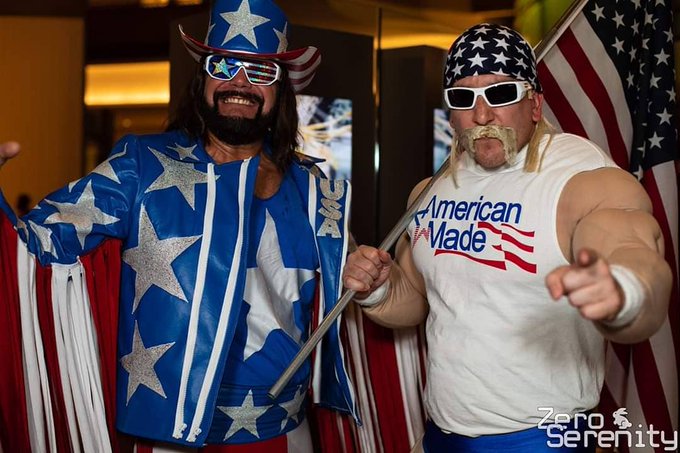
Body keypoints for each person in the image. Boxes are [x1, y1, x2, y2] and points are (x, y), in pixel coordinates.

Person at [0, 0, 360, 451]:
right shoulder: (141, 165)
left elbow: (353, 294)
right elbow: (36, 246)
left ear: (280, 90)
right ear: (202, 80)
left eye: (260, 71)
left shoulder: (316, 190)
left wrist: (373, 279)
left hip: (286, 433)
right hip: (170, 436)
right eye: (222, 65)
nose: (240, 82)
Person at [342, 23, 672, 452]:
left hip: (542, 439)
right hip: (442, 434)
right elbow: (419, 299)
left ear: (535, 104)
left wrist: (623, 289)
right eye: (463, 99)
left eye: (500, 94)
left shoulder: (581, 177)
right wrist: (378, 289)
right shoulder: (430, 191)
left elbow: (632, 247)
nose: (482, 116)